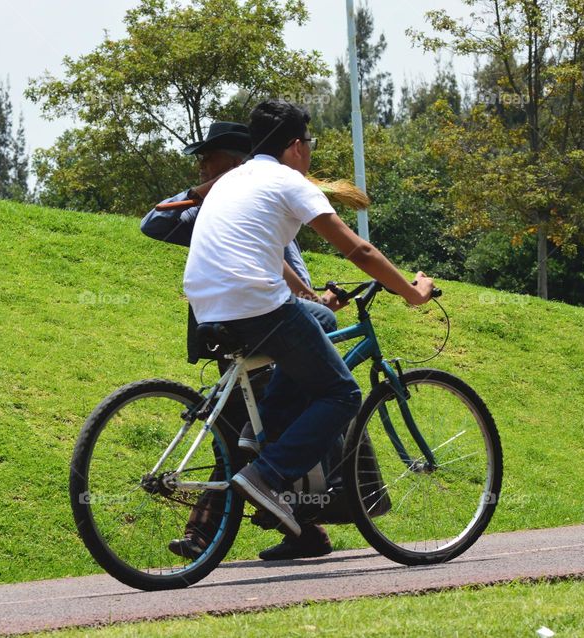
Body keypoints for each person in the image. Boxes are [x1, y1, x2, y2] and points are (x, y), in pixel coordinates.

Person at [183, 100, 434, 541]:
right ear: (297, 146)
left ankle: (257, 434)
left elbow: (253, 252)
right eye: (310, 143)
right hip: (257, 306)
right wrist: (411, 293)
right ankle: (267, 473)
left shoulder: (229, 180)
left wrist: (305, 293)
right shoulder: (288, 181)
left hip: (206, 306)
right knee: (341, 394)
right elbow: (359, 251)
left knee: (316, 319)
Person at [140, 121, 340, 560]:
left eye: (208, 157)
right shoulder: (215, 203)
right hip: (254, 331)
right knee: (243, 434)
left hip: (279, 321)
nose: (201, 163)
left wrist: (316, 302)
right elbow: (153, 222)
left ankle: (300, 527)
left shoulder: (266, 197)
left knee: (267, 428)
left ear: (236, 159)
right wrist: (208, 185)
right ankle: (262, 525)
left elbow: (286, 270)